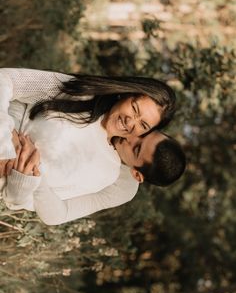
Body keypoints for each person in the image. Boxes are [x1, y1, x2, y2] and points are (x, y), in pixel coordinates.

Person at [0, 68, 185, 225]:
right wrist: (7, 140)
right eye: (134, 109)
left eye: (143, 126)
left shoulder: (106, 174)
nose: (130, 122)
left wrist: (27, 177)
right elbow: (6, 79)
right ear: (127, 94)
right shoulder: (83, 95)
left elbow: (21, 200)